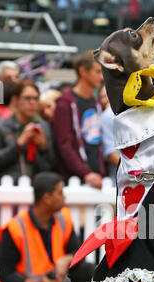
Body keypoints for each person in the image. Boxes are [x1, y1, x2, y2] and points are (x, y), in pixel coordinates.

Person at [0, 172, 95, 282]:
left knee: (89, 270)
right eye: (60, 192)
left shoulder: (63, 218)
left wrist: (66, 259)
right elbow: (6, 275)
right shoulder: (14, 228)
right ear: (47, 198)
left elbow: (78, 252)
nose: (64, 197)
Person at [53, 51, 106, 189]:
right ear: (83, 71)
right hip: (75, 182)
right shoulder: (64, 102)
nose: (102, 77)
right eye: (98, 71)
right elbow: (64, 144)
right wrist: (86, 173)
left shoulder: (96, 103)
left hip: (99, 178)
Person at [0, 79, 56, 183]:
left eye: (35, 98)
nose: (32, 103)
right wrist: (18, 145)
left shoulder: (44, 127)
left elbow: (52, 166)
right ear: (15, 100)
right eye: (27, 98)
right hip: (7, 187)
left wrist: (43, 147)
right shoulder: (2, 126)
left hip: (36, 189)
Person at [100, 87, 120, 187]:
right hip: (120, 179)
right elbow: (111, 154)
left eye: (106, 96)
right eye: (102, 97)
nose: (105, 100)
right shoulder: (107, 115)